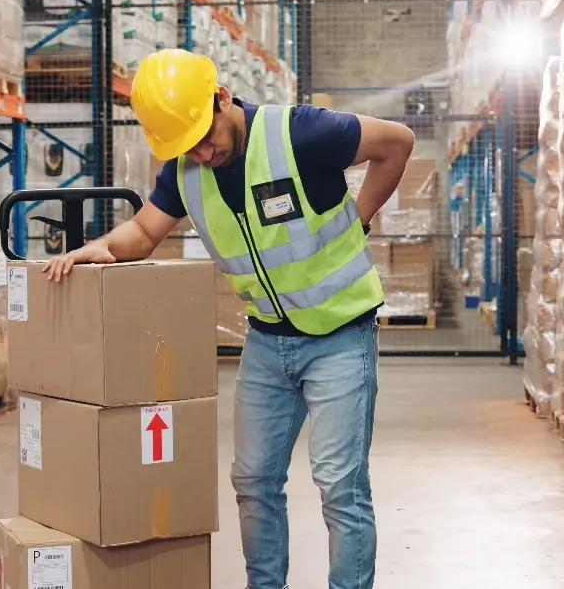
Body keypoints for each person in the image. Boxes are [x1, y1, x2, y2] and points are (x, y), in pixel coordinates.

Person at [41, 49, 414, 589]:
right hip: (266, 340)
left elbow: (397, 142)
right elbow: (146, 232)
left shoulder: (300, 134)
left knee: (339, 485)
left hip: (340, 334)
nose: (203, 152)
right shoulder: (187, 170)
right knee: (255, 481)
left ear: (222, 99)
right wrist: (98, 247)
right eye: (187, 146)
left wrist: (362, 214)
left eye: (205, 135)